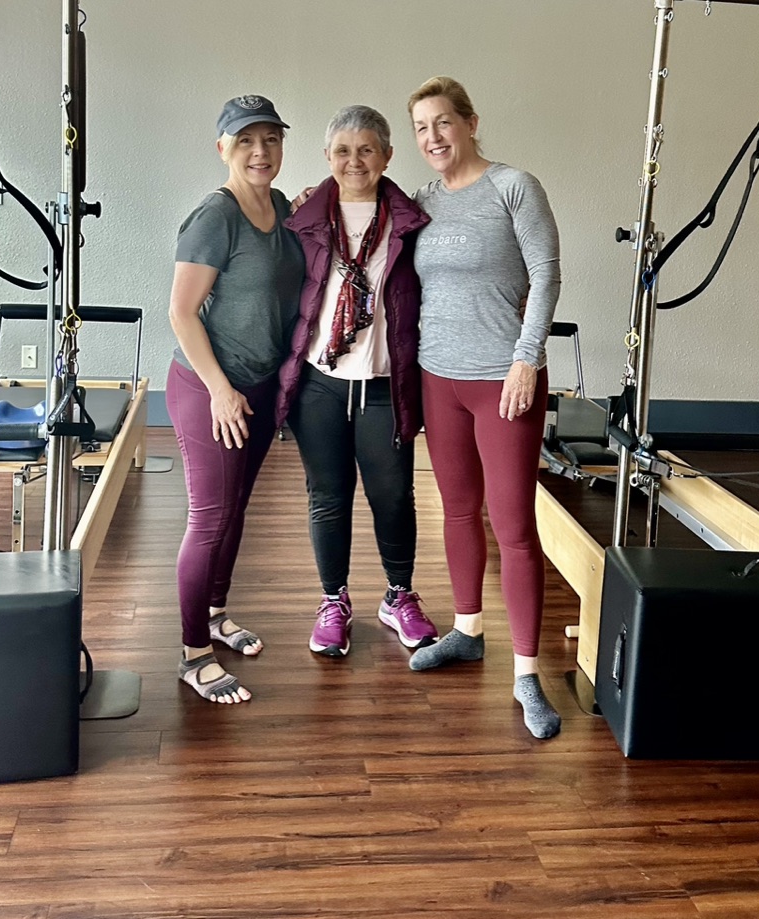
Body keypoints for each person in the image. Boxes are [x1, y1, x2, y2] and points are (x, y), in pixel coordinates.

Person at [406, 77, 563, 740]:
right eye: (421, 128)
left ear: (470, 122)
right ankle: (467, 630)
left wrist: (527, 358)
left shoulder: (513, 186)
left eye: (443, 122)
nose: (432, 137)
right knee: (456, 509)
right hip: (436, 377)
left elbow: (546, 272)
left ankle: (527, 674)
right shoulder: (421, 200)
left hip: (503, 380)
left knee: (514, 527)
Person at [277, 105, 437, 658]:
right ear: (327, 156)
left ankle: (398, 596)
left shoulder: (411, 222)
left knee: (393, 495)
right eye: (343, 151)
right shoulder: (303, 220)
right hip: (320, 383)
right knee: (328, 496)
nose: (354, 161)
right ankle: (333, 600)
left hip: (384, 383)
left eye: (366, 149)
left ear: (387, 156)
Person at [166, 95, 304, 702]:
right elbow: (181, 312)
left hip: (258, 386)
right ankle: (193, 653)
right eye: (245, 140)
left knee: (236, 507)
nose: (260, 151)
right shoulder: (215, 217)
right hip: (208, 387)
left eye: (270, 138)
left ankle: (215, 614)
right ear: (223, 148)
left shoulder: (281, 206)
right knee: (209, 517)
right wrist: (220, 390)